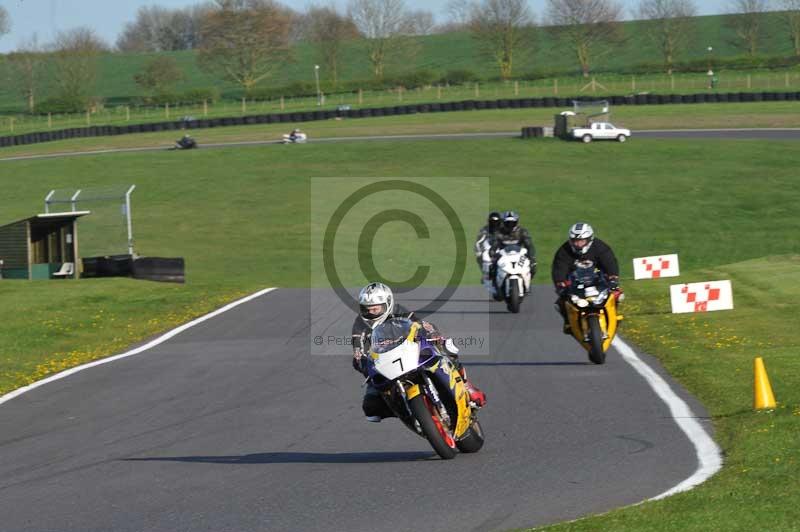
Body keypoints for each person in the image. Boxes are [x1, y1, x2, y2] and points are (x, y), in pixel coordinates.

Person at [351, 282, 486, 422]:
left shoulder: (398, 310)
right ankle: (406, 411)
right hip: (384, 364)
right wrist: (361, 362)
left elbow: (421, 324)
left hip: (408, 351)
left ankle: (465, 385)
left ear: (388, 303)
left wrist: (433, 334)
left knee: (446, 347)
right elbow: (357, 349)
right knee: (370, 409)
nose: (370, 313)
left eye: (375, 309)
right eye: (366, 309)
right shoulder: (361, 323)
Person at [551, 222, 621, 334]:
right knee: (560, 303)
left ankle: (614, 316)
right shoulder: (564, 251)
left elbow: (610, 263)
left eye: (581, 241)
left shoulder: (600, 247)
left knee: (617, 294)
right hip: (576, 282)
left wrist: (613, 278)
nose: (578, 244)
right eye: (575, 241)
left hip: (598, 279)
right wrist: (560, 284)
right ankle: (569, 323)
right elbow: (559, 269)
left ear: (589, 239)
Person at [489, 211, 537, 289]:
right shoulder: (499, 233)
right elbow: (493, 247)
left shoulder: (522, 232)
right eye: (508, 223)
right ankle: (496, 285)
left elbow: (530, 246)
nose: (510, 225)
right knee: (492, 268)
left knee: (533, 267)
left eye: (512, 223)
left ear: (516, 222)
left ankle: (527, 283)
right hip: (503, 255)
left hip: (519, 254)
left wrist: (532, 258)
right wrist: (492, 254)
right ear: (504, 223)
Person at [474, 211, 502, 282]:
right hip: (489, 248)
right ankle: (485, 273)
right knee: (480, 255)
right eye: (492, 222)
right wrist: (479, 251)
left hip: (502, 248)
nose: (494, 224)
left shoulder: (504, 229)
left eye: (496, 222)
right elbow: (479, 241)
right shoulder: (485, 230)